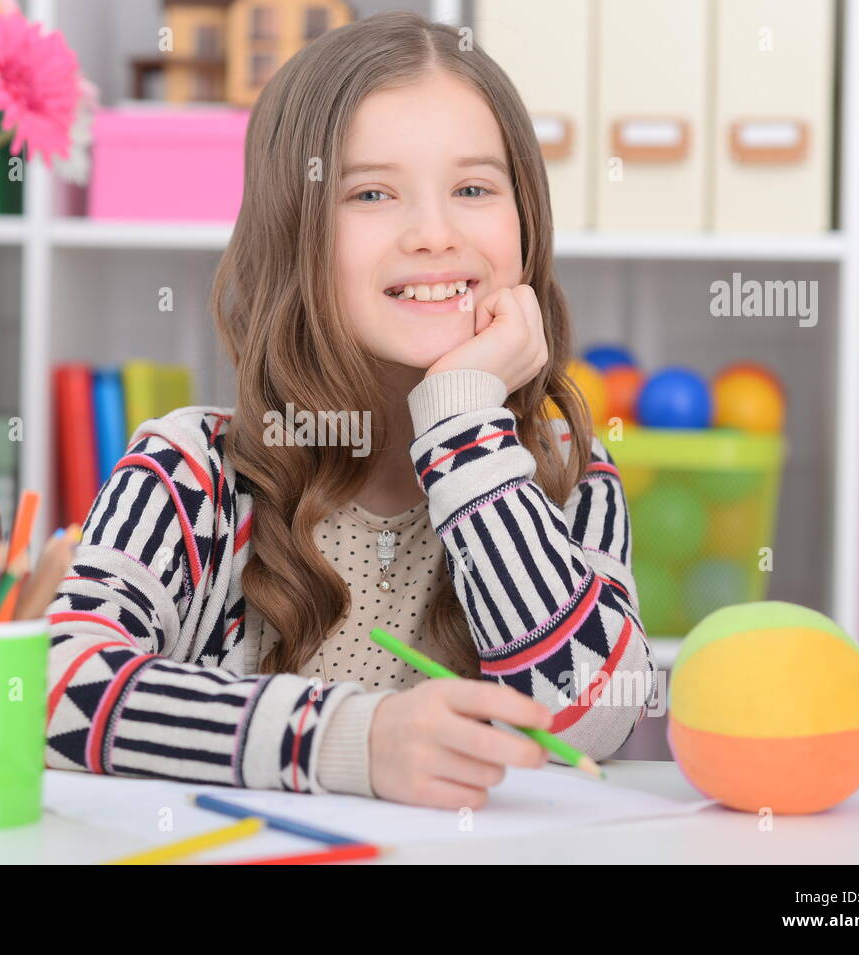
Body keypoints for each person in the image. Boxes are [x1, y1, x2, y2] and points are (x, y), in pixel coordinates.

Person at [46, 10, 655, 810]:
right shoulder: (190, 471)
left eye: (473, 188)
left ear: (526, 221)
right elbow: (54, 689)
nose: (435, 234)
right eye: (371, 192)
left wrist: (463, 426)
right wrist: (353, 739)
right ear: (293, 230)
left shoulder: (567, 475)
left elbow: (592, 712)